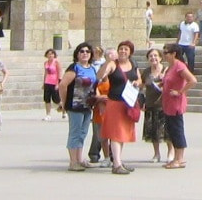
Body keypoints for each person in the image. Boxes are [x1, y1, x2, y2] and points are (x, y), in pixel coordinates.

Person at [96, 40, 140, 174]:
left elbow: (139, 78)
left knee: (122, 134)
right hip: (115, 103)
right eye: (121, 49)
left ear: (130, 52)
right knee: (116, 134)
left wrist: (137, 82)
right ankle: (116, 164)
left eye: (126, 49)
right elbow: (100, 76)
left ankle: (118, 160)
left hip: (128, 103)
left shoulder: (133, 64)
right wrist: (106, 62)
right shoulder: (112, 64)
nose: (123, 51)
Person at [58, 42, 98, 170]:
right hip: (75, 105)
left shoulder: (92, 68)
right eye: (82, 51)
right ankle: (73, 161)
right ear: (77, 54)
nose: (85, 53)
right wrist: (64, 102)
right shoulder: (74, 67)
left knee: (83, 133)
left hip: (88, 105)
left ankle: (80, 159)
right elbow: (63, 85)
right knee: (75, 133)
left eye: (87, 51)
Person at [160, 42, 197, 169]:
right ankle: (176, 158)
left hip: (175, 104)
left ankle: (179, 159)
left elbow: (192, 80)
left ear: (174, 54)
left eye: (166, 53)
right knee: (172, 131)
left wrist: (180, 92)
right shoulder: (170, 66)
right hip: (168, 103)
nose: (164, 55)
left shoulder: (179, 66)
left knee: (177, 130)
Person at [139, 47, 171, 162]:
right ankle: (156, 154)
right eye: (150, 56)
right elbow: (141, 86)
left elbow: (173, 85)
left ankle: (170, 153)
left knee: (167, 131)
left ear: (161, 58)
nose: (153, 58)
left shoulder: (167, 70)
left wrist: (165, 81)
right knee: (153, 131)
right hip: (150, 104)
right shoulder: (146, 72)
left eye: (155, 55)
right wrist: (141, 101)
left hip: (164, 104)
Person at [42, 48, 62, 120]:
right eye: (49, 54)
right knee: (47, 99)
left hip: (54, 82)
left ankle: (63, 109)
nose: (50, 55)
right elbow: (46, 73)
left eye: (52, 54)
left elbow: (59, 72)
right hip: (48, 82)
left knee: (56, 99)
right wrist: (44, 83)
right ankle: (48, 114)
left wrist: (57, 83)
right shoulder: (46, 63)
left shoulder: (56, 62)